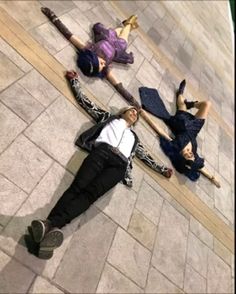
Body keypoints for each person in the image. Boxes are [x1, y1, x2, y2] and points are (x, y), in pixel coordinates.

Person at [29, 70, 173, 259]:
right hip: (102, 153)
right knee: (77, 187)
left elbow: (146, 156)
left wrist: (163, 169)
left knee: (89, 196)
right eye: (131, 110)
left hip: (118, 167)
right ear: (123, 112)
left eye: (136, 115)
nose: (134, 113)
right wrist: (74, 82)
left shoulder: (134, 138)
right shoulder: (110, 118)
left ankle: (48, 226)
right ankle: (50, 230)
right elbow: (86, 102)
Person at [41, 7, 140, 109]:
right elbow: (118, 85)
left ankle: (126, 25)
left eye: (101, 63)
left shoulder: (88, 49)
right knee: (124, 37)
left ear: (93, 57)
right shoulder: (105, 70)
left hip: (106, 37)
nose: (104, 64)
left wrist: (52, 16)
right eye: (102, 66)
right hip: (118, 48)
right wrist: (133, 101)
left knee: (114, 32)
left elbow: (69, 35)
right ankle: (129, 24)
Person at [139, 79, 221, 188]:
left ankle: (181, 95)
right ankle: (190, 104)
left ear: (183, 158)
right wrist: (212, 178)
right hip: (194, 129)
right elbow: (201, 168)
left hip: (180, 124)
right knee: (207, 104)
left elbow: (160, 132)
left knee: (181, 104)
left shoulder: (176, 146)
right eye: (191, 155)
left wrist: (145, 116)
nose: (190, 153)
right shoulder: (194, 157)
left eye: (187, 155)